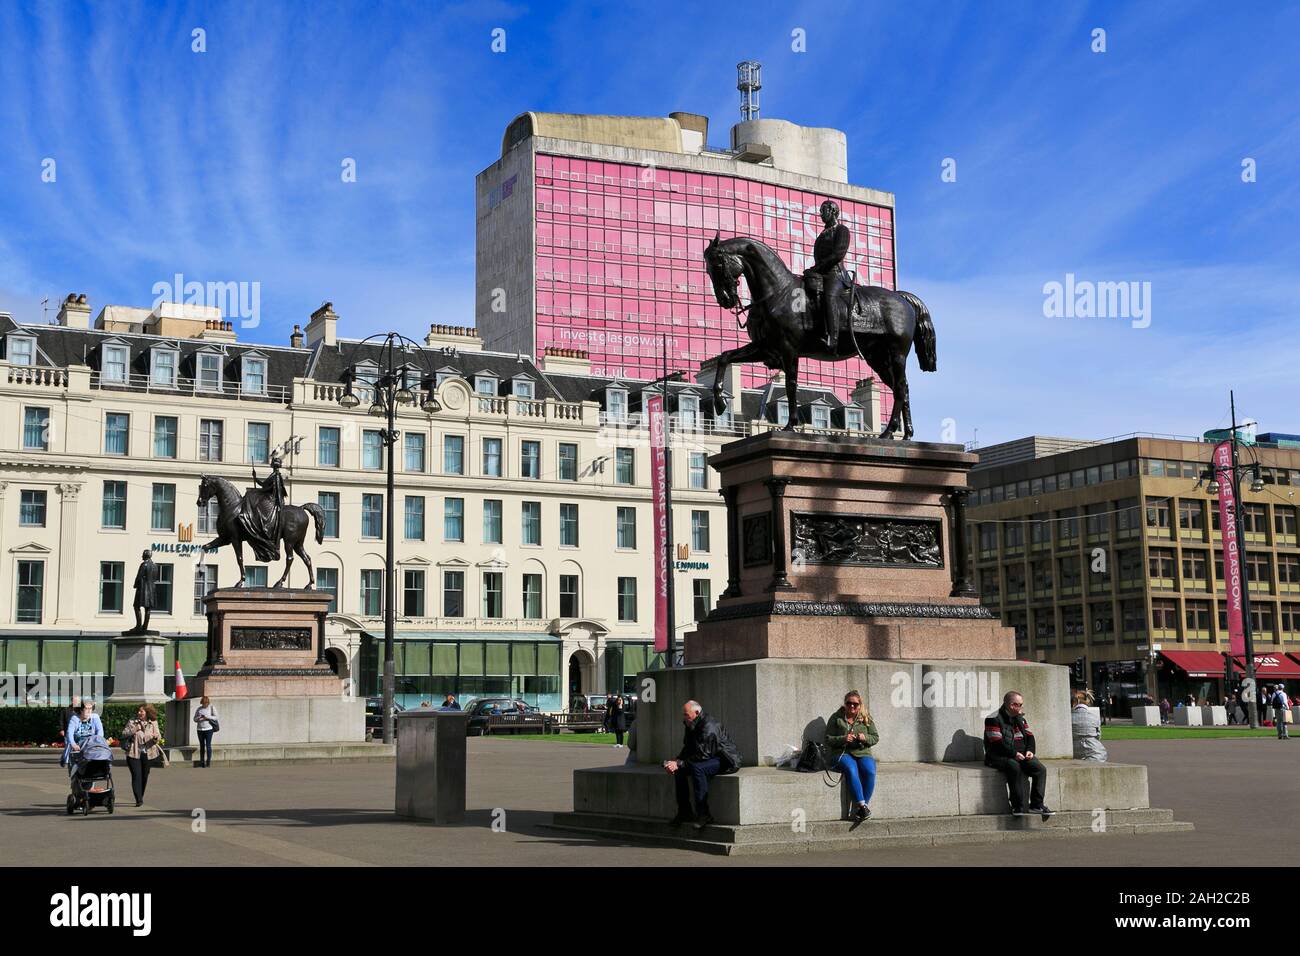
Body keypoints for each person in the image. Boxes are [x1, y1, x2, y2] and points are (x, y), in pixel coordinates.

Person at [662, 700, 741, 829]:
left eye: (686, 714)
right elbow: (688, 748)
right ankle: (685, 812)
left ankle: (704, 814)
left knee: (698, 769)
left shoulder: (709, 726)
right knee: (680, 771)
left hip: (725, 759)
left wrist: (681, 763)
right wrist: (676, 762)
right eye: (684, 714)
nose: (684, 717)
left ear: (697, 712)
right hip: (707, 756)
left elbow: (703, 754)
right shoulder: (690, 723)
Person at [983, 691, 1054, 819]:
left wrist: (1030, 750)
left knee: (1040, 769)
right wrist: (1014, 754)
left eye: (1021, 704)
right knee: (1014, 766)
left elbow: (1030, 736)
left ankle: (1036, 805)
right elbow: (996, 744)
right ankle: (1017, 806)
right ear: (1011, 705)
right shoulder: (993, 719)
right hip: (997, 756)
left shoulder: (1020, 718)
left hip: (1020, 754)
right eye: (1019, 705)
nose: (1021, 707)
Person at [802, 198, 852, 350]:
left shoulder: (841, 230)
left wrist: (817, 268)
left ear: (833, 211)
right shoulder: (822, 234)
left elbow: (838, 254)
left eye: (823, 210)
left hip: (835, 274)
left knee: (829, 296)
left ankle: (833, 338)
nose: (820, 214)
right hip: (820, 274)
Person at [824, 690, 880, 822]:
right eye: (849, 703)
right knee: (851, 768)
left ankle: (862, 809)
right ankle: (861, 805)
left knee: (870, 771)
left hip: (862, 752)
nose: (852, 706)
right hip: (842, 753)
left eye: (855, 704)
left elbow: (875, 737)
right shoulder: (836, 718)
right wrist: (843, 739)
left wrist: (864, 737)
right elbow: (828, 739)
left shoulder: (866, 718)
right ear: (845, 704)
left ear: (860, 705)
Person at [122, 704, 164, 807]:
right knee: (136, 775)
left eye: (141, 711)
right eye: (138, 711)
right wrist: (135, 729)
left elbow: (158, 735)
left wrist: (155, 737)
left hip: (148, 753)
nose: (139, 713)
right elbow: (124, 733)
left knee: (144, 776)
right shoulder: (132, 721)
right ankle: (138, 799)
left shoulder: (153, 722)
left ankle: (140, 795)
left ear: (147, 712)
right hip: (133, 752)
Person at [62, 700, 103, 774]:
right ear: (81, 710)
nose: (89, 711)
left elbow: (100, 732)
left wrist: (97, 742)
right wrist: (73, 744)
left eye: (90, 708)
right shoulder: (75, 719)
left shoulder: (95, 717)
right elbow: (69, 733)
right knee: (76, 772)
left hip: (91, 745)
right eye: (86, 709)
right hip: (78, 746)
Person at [1070, 690, 1107, 762]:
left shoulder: (1069, 718)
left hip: (1073, 753)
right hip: (1096, 754)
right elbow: (1098, 736)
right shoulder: (1094, 717)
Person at [193, 696, 219, 768]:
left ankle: (208, 761)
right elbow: (194, 719)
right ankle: (202, 761)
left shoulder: (211, 708)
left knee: (208, 745)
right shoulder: (199, 709)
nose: (204, 705)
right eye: (203, 703)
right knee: (202, 746)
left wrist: (207, 717)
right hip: (200, 729)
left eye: (206, 703)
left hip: (209, 729)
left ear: (208, 702)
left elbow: (216, 717)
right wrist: (199, 718)